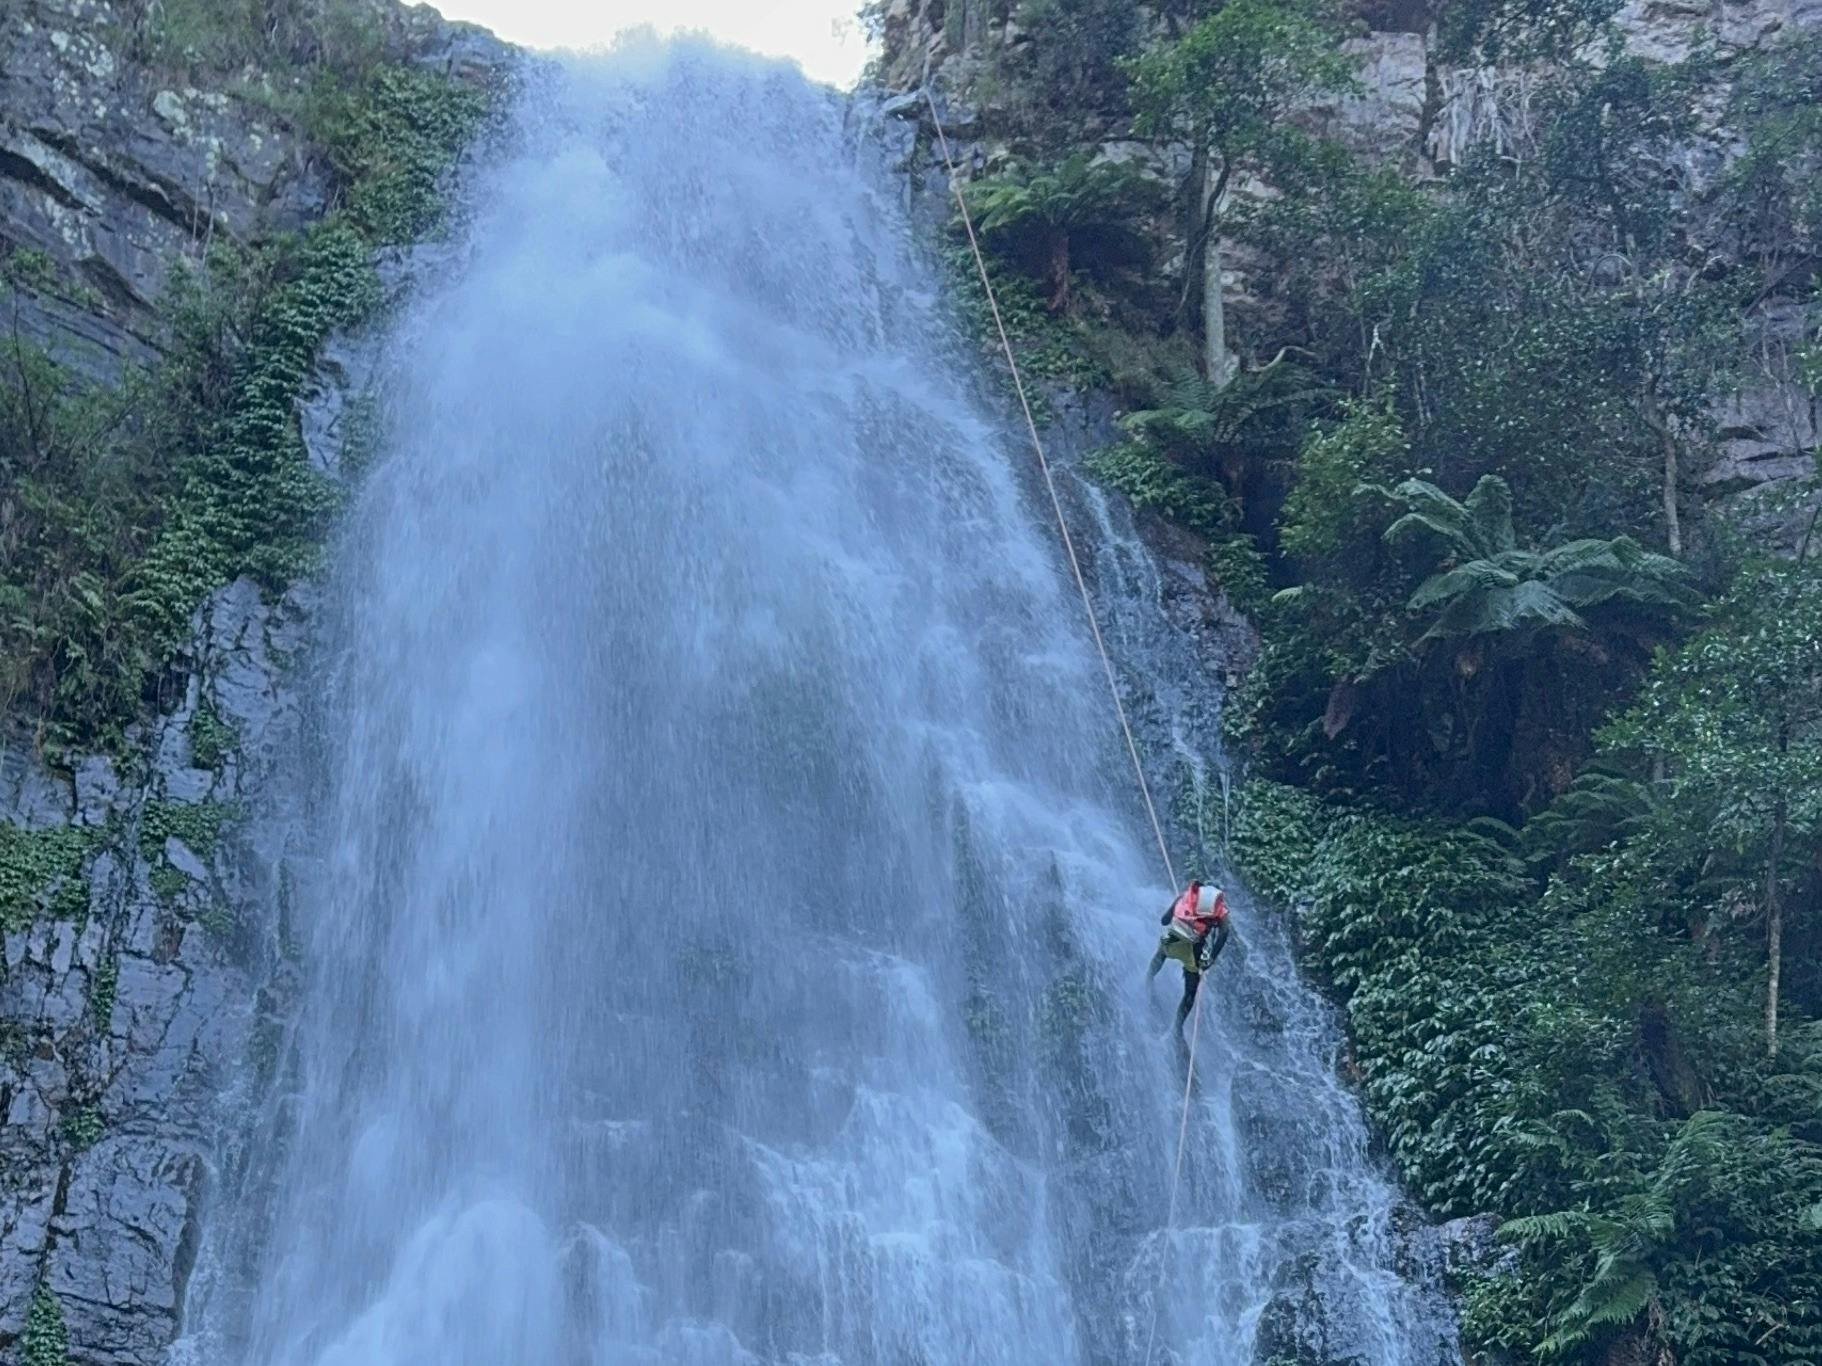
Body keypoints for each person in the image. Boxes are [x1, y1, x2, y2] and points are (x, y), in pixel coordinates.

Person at [1147, 881, 1230, 1042]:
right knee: (1190, 992)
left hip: (1173, 937)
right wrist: (1211, 958)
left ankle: (1148, 979)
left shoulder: (1186, 896)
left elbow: (1164, 920)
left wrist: (1178, 909)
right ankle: (1177, 1027)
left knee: (1161, 954)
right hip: (1193, 948)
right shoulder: (1221, 911)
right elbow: (1224, 933)